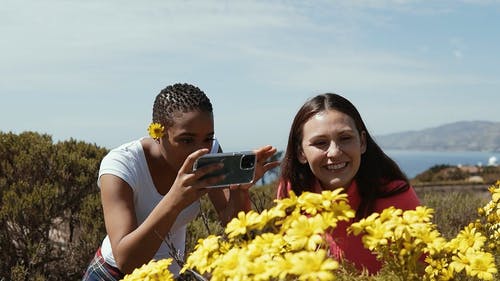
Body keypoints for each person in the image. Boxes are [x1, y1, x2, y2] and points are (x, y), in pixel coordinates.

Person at [83, 83, 279, 280]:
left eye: (208, 138)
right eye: (186, 140)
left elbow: (231, 222)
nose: (200, 151)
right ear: (157, 133)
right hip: (113, 275)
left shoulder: (209, 152)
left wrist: (239, 190)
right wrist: (174, 201)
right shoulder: (121, 166)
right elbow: (127, 261)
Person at [277, 93, 420, 274]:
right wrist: (240, 196)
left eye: (345, 138)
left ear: (362, 142)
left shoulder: (396, 196)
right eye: (320, 143)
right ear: (301, 153)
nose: (334, 152)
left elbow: (423, 268)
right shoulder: (291, 192)